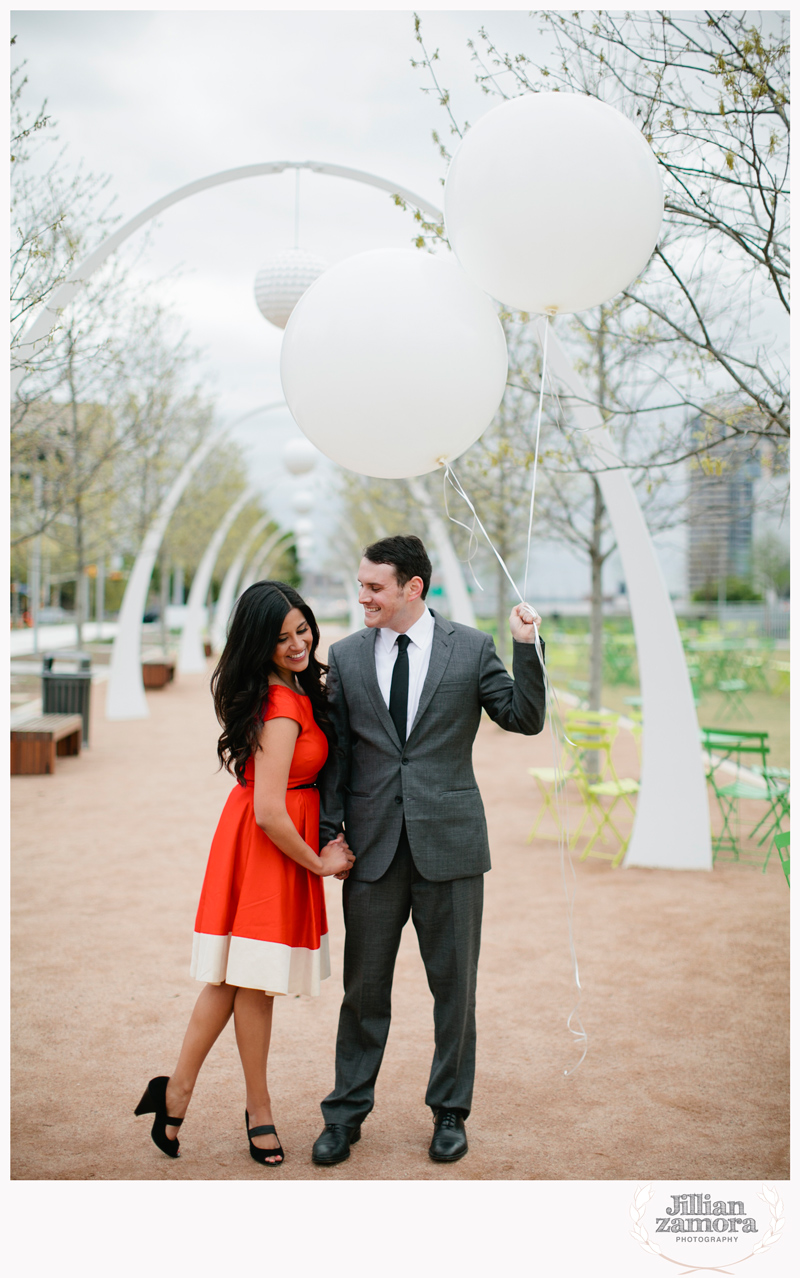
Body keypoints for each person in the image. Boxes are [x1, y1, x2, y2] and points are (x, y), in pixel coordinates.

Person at [312, 535, 546, 1166]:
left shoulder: (472, 649)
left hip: (451, 847)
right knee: (363, 992)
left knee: (454, 990)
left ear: (413, 587)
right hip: (372, 851)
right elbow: (338, 756)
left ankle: (450, 1112)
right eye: (360, 585)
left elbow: (524, 718)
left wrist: (527, 647)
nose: (363, 596)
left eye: (374, 587)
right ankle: (345, 1115)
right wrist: (330, 831)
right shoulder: (347, 656)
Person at [135, 581, 354, 1166]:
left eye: (303, 629)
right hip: (270, 844)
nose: (298, 643)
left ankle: (178, 1092)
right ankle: (249, 1108)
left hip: (260, 842)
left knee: (238, 978)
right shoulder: (281, 707)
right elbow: (269, 811)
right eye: (282, 637)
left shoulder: (290, 691)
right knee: (247, 978)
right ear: (260, 643)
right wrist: (320, 862)